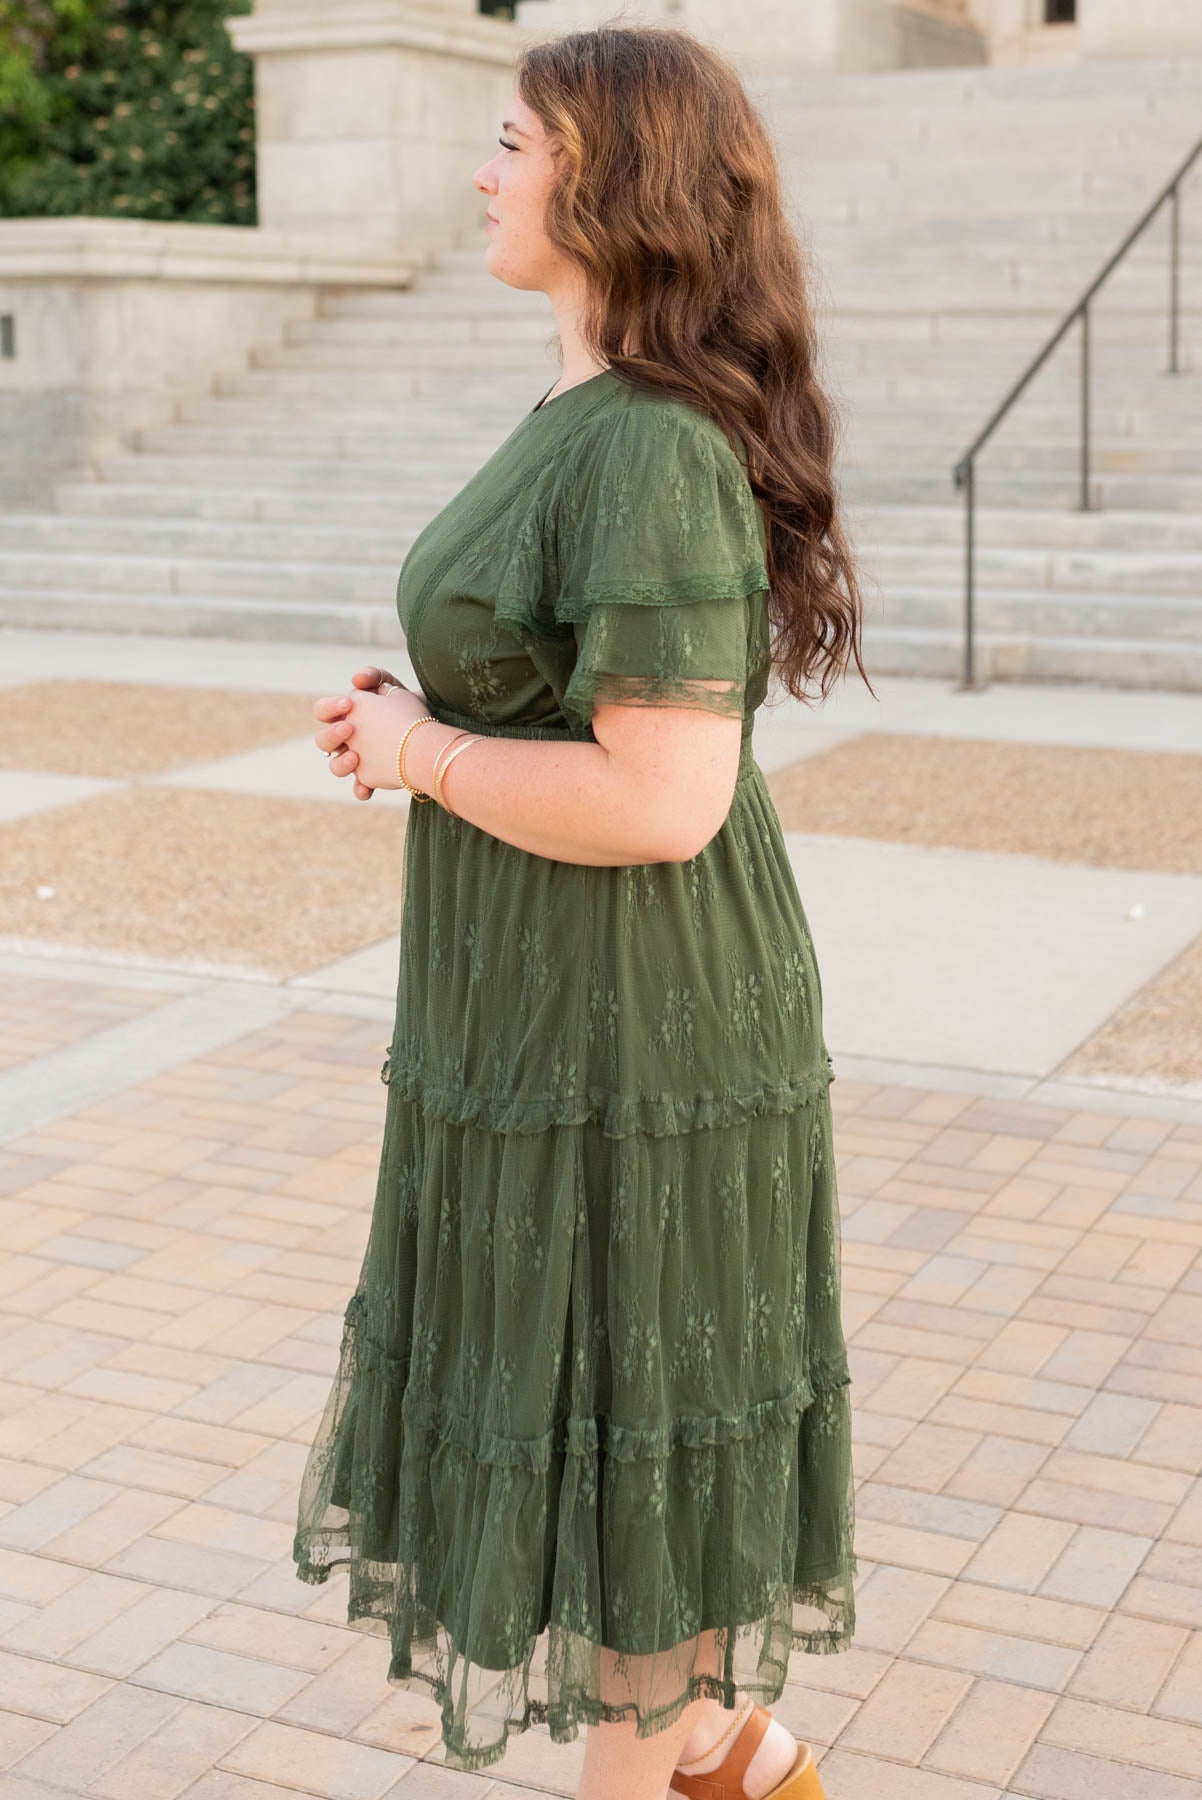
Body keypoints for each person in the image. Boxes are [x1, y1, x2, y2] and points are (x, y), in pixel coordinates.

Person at [297, 23, 871, 1800]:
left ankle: (693, 1759)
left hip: (632, 1023)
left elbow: (658, 797)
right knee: (604, 1433)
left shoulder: (643, 445)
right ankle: (735, 1762)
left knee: (627, 1462)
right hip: (548, 1009)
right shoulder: (582, 412)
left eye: (512, 142)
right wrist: (438, 722)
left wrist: (418, 752)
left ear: (608, 182)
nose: (483, 172)